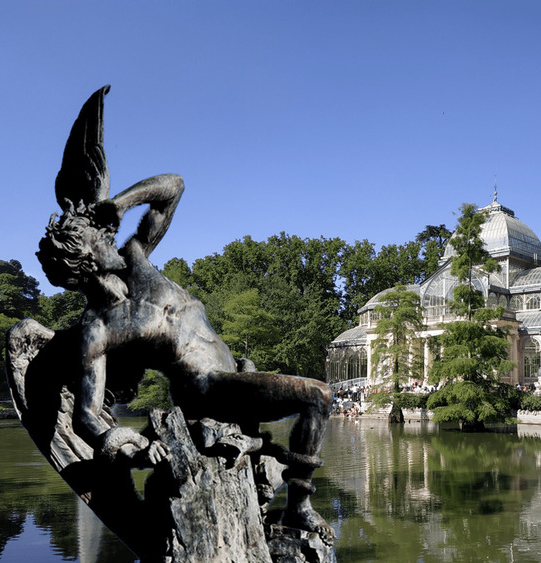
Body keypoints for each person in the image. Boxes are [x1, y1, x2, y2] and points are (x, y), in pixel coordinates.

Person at [37, 151, 334, 541]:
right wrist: (134, 447)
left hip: (233, 374)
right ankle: (300, 508)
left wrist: (119, 203)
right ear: (86, 257)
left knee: (291, 424)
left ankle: (281, 502)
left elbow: (173, 186)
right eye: (97, 234)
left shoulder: (135, 257)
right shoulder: (99, 327)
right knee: (318, 396)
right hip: (208, 387)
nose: (108, 232)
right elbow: (87, 416)